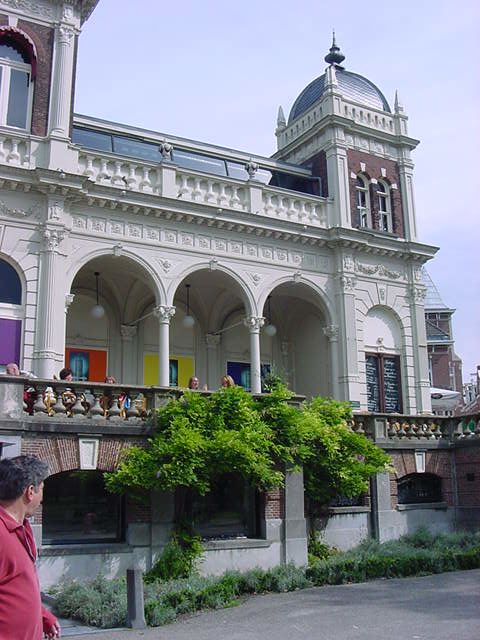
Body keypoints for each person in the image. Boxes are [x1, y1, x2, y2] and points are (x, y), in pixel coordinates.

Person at [0, 455, 61, 639]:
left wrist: (41, 615)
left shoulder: (22, 527)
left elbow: (17, 587)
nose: (42, 498)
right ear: (30, 491)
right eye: (42, 489)